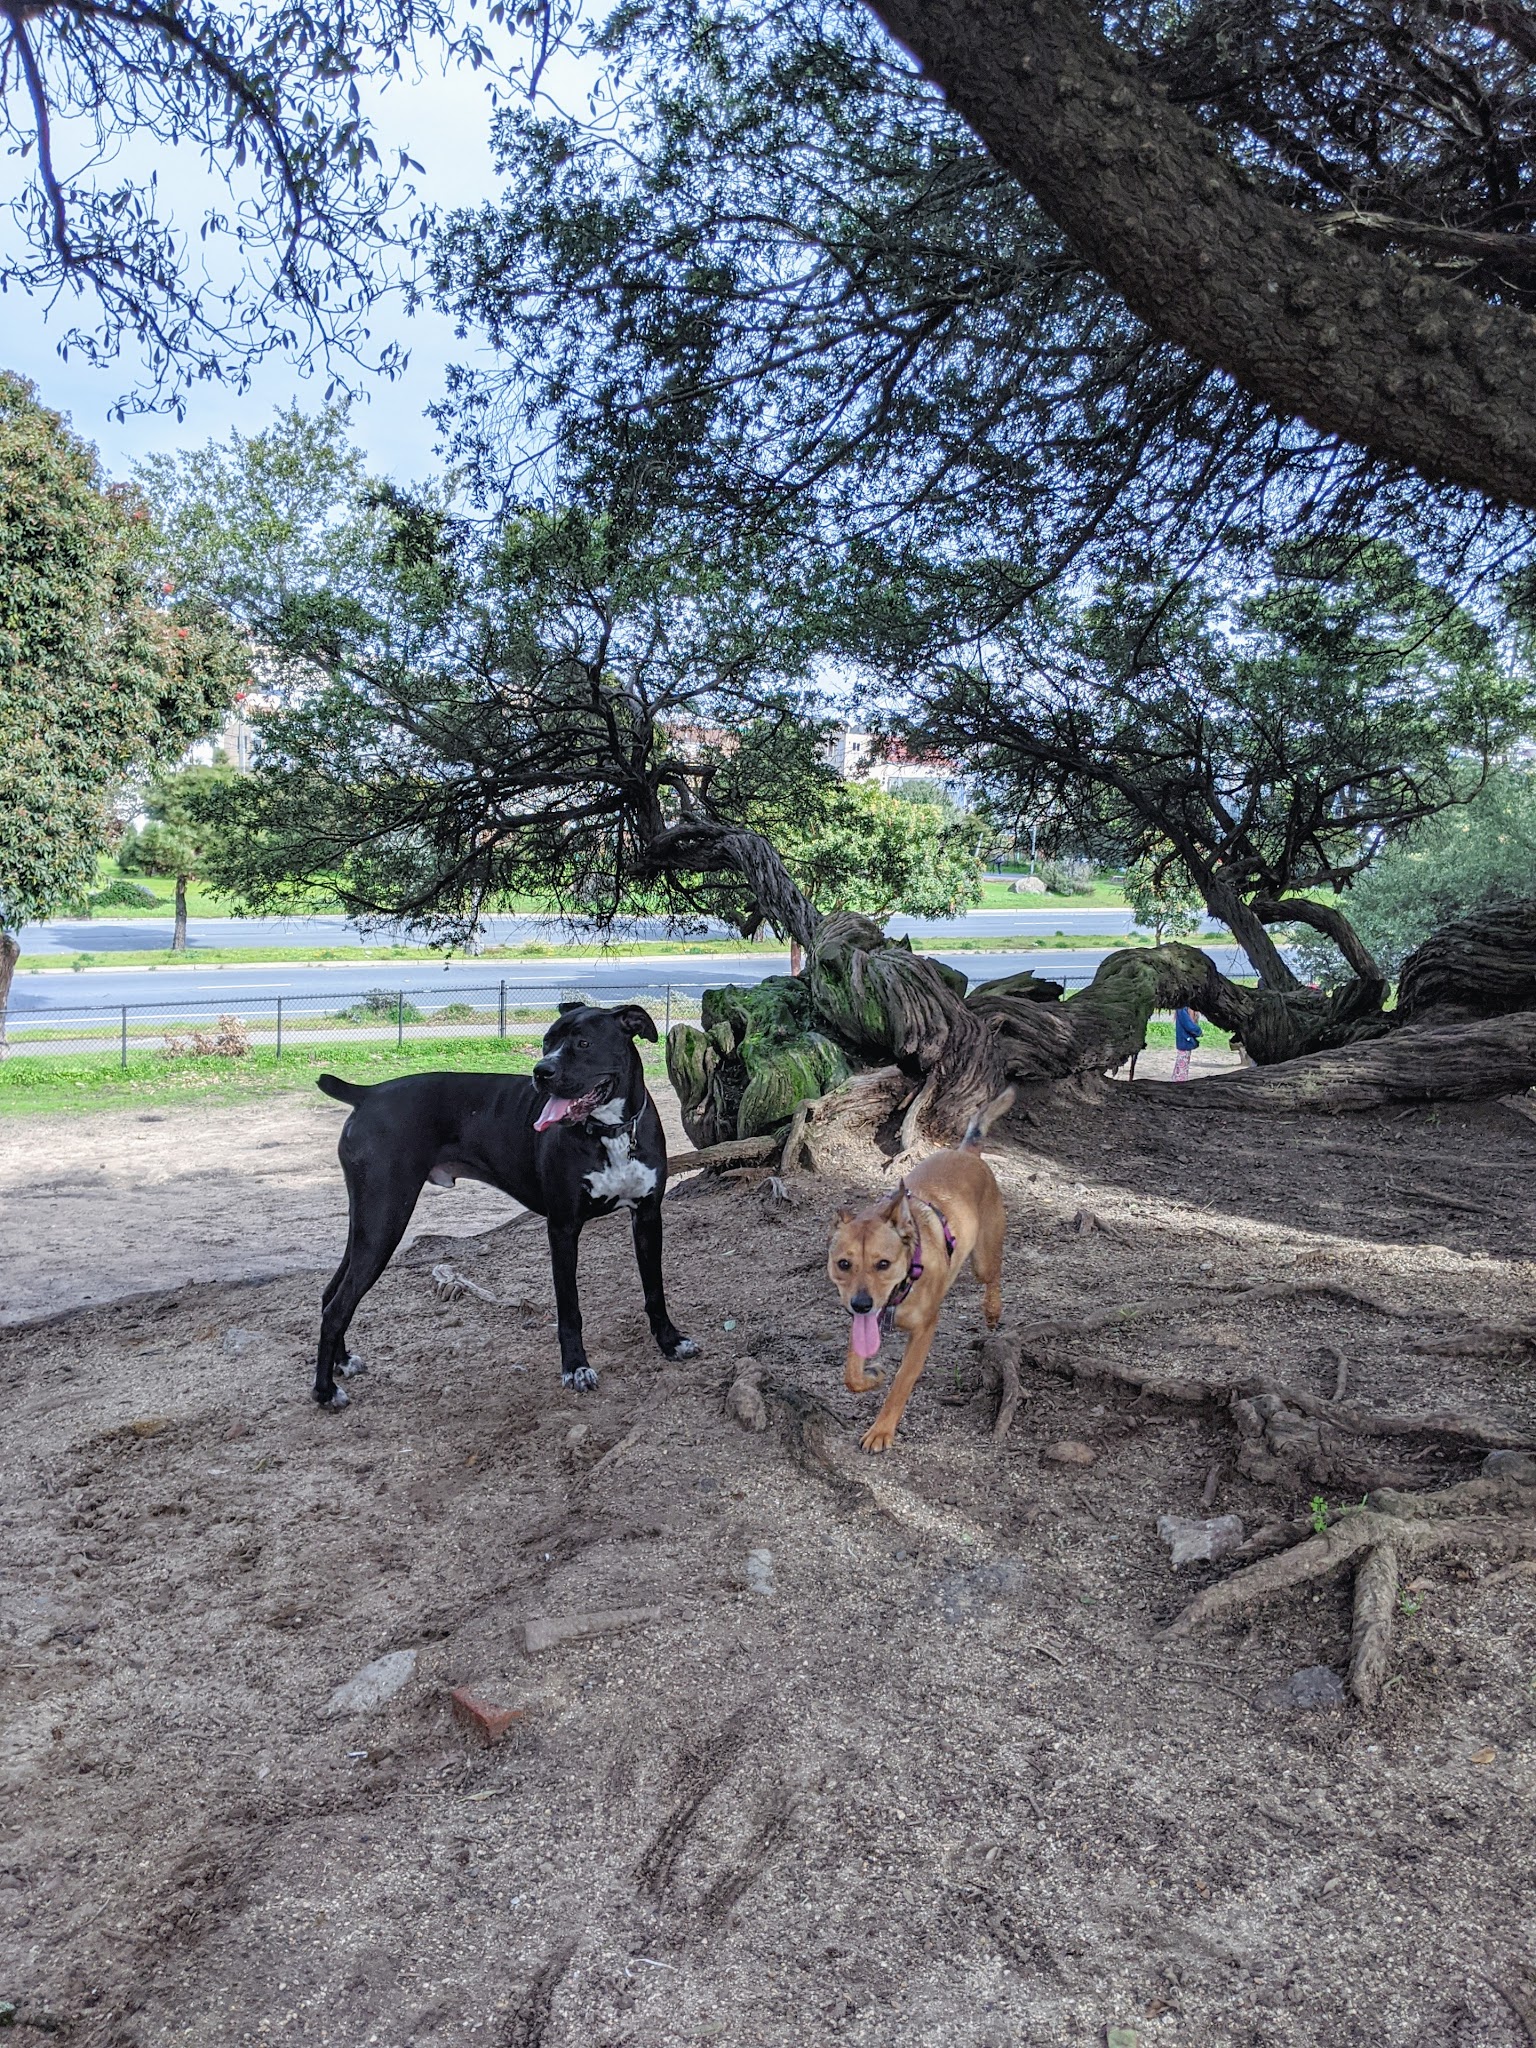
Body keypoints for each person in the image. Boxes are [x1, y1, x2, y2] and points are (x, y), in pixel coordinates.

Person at [1173, 1005, 1202, 1081]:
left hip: (1184, 1040)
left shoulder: (1181, 1008)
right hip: (1185, 1040)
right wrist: (1198, 1031)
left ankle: (1177, 1079)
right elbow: (1188, 1024)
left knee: (1182, 1062)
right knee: (1183, 1063)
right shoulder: (1182, 1009)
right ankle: (1179, 1081)